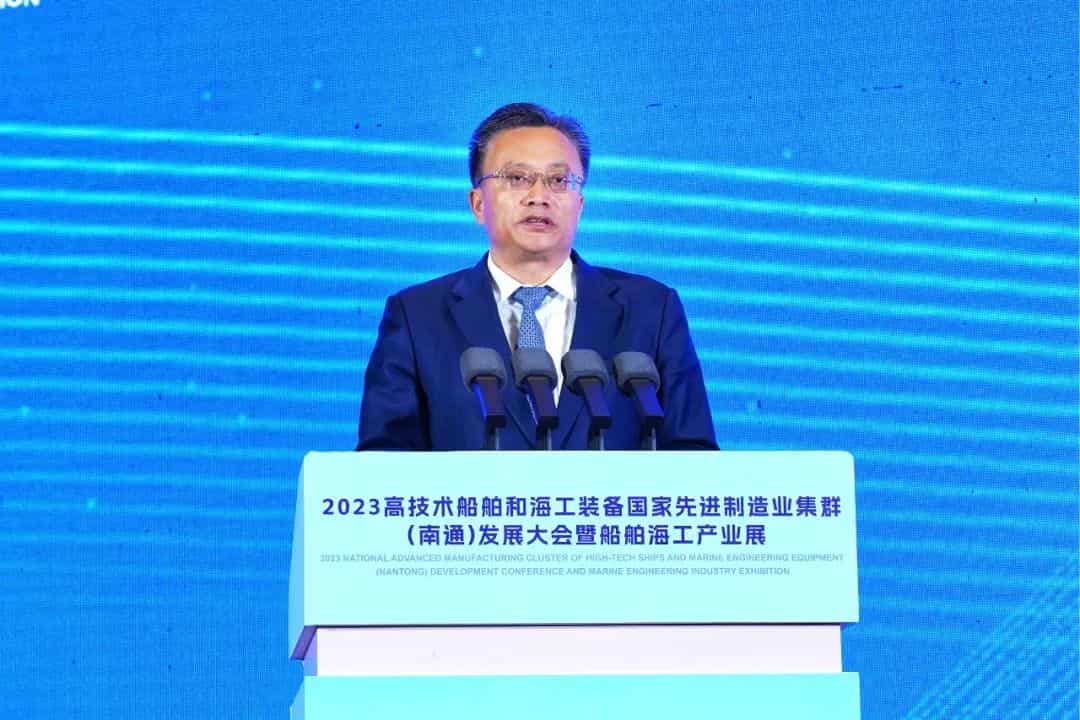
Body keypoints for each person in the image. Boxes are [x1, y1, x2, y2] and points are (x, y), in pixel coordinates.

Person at [357, 102, 716, 451]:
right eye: (517, 178)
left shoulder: (651, 309)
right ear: (478, 204)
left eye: (559, 180)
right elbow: (382, 461)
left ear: (580, 205)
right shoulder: (417, 316)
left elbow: (693, 451)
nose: (539, 196)